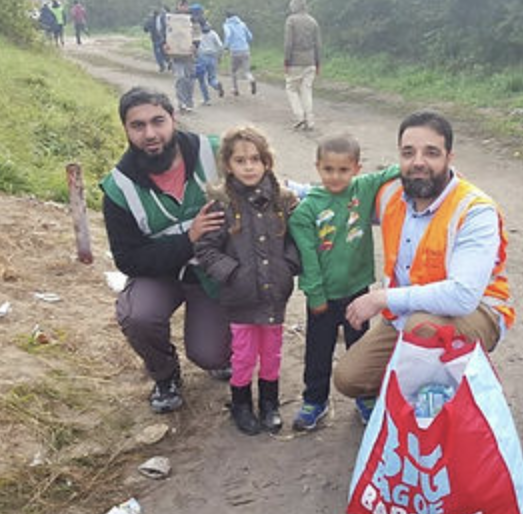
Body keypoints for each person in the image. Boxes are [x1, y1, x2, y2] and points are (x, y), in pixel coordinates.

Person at [333, 110, 516, 422]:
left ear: (449, 157)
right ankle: (414, 385)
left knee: (424, 328)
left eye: (431, 152)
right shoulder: (391, 194)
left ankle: (445, 410)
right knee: (349, 379)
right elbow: (333, 197)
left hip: (477, 312)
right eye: (408, 153)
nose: (418, 161)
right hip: (408, 316)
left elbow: (462, 297)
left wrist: (381, 298)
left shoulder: (474, 210)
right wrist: (283, 192)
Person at [100, 87, 231, 414]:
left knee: (212, 355)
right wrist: (189, 238)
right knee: (137, 315)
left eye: (158, 121)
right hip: (161, 275)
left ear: (174, 119)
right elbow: (128, 259)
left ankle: (217, 348)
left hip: (212, 272)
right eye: (138, 126)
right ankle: (165, 375)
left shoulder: (213, 153)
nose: (150, 134)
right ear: (127, 131)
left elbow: (259, 182)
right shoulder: (119, 188)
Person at [193, 126, 301, 435]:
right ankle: (241, 404)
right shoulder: (221, 205)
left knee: (272, 352)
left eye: (256, 159)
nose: (249, 166)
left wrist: (287, 265)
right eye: (241, 160)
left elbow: (296, 240)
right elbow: (206, 249)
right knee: (243, 354)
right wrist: (233, 274)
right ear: (228, 165)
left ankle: (270, 403)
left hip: (274, 295)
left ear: (267, 162)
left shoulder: (282, 201)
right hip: (239, 298)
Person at [288, 134, 399, 432]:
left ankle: (365, 397)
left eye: (343, 170)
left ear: (356, 169)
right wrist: (315, 294)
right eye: (328, 169)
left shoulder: (363, 189)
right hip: (323, 295)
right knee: (318, 349)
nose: (335, 177)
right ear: (317, 167)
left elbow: (392, 171)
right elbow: (308, 260)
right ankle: (314, 400)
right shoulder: (307, 210)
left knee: (360, 345)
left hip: (357, 292)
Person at [283, 0, 321, 130]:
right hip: (310, 61)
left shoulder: (291, 20)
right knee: (307, 90)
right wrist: (318, 62)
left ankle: (299, 116)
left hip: (295, 61)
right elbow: (318, 44)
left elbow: (288, 43)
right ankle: (310, 120)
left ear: (294, 6)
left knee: (291, 89)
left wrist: (286, 61)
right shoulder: (313, 21)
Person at [168, 1, 198, 113]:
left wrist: (195, 46)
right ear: (177, 5)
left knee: (189, 80)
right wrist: (165, 45)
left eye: (185, 5)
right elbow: (166, 35)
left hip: (190, 56)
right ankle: (182, 103)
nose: (183, 7)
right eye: (181, 4)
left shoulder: (193, 19)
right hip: (176, 56)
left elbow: (198, 35)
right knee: (180, 78)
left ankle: (189, 102)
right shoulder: (171, 19)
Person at [222, 9, 257, 96]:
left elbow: (228, 36)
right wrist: (247, 41)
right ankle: (251, 80)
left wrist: (226, 47)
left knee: (233, 71)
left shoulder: (227, 25)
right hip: (245, 49)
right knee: (246, 71)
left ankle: (235, 89)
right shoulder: (242, 24)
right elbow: (250, 36)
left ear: (227, 17)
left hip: (235, 51)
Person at [194, 23, 225, 106]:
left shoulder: (198, 34)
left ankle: (206, 99)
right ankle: (217, 85)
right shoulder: (213, 33)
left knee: (201, 80)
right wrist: (220, 56)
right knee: (212, 78)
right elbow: (220, 46)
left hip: (202, 57)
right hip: (213, 57)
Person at [143, 8, 168, 73]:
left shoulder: (150, 19)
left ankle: (162, 66)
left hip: (156, 39)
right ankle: (168, 62)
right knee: (164, 51)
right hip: (164, 38)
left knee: (157, 53)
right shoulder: (163, 18)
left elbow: (145, 29)